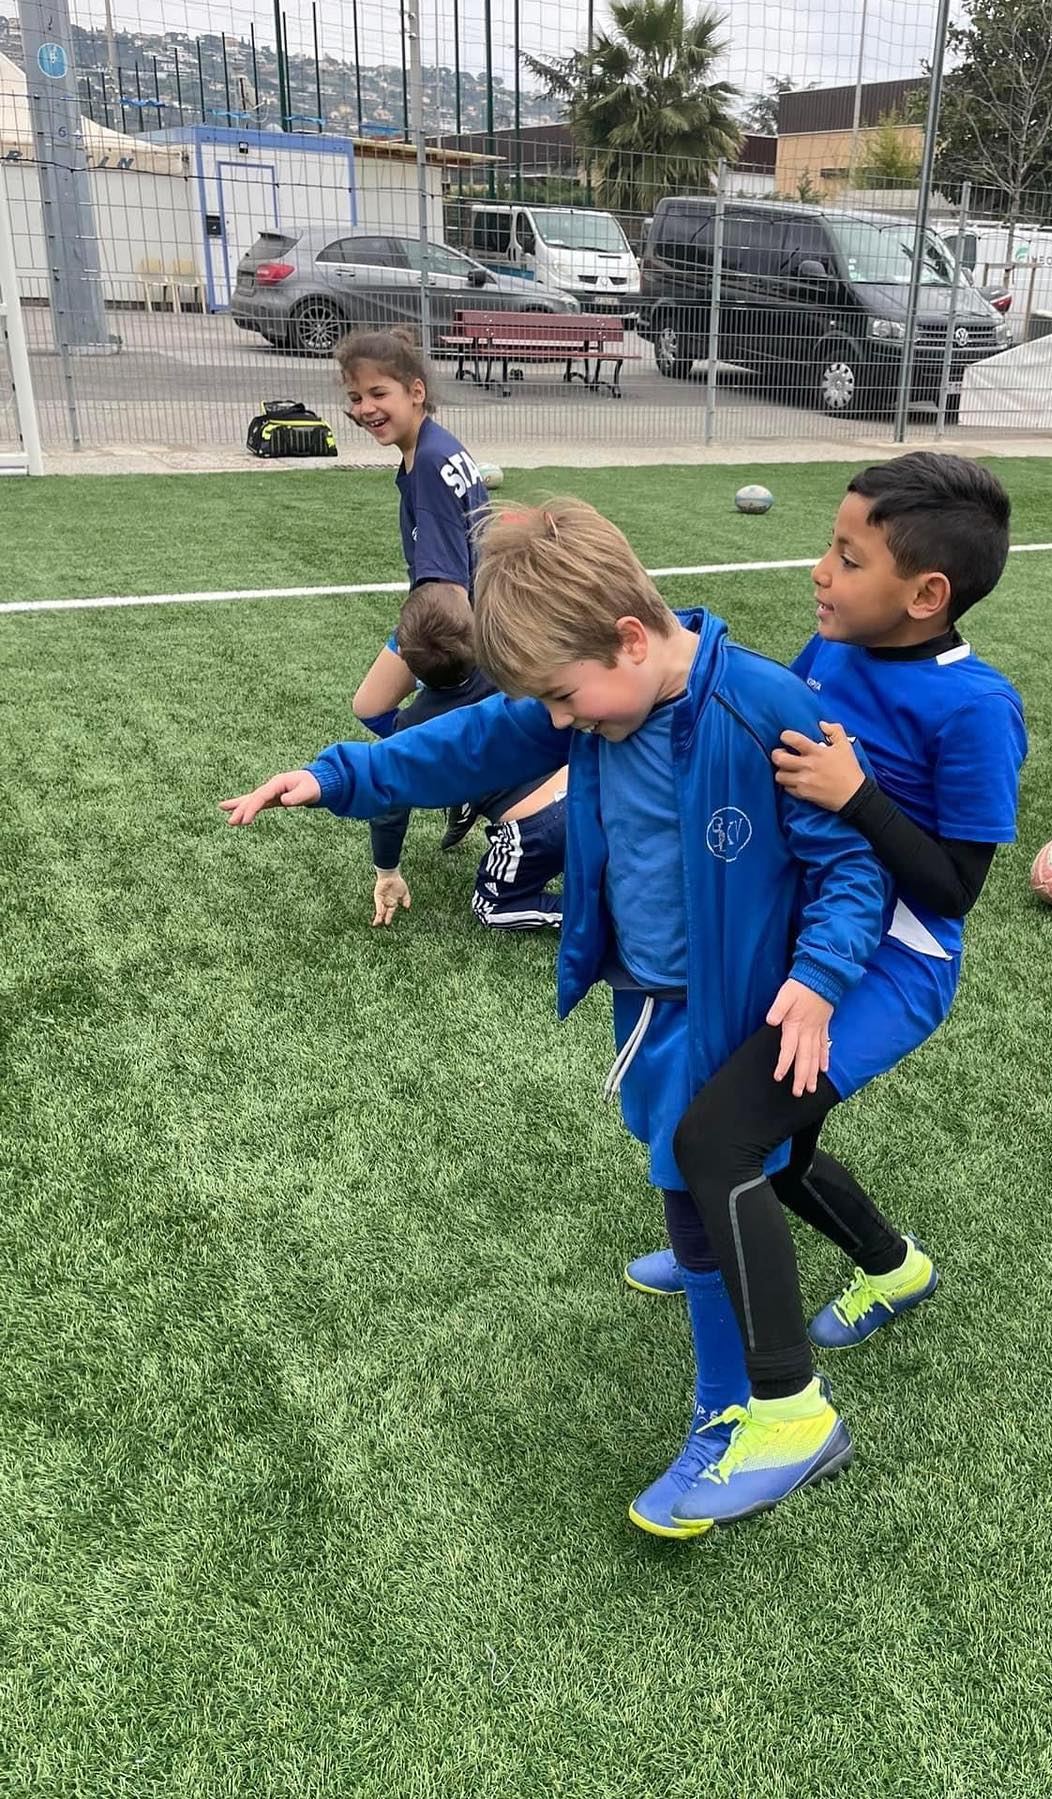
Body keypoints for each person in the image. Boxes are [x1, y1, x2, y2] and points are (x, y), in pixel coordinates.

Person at [221, 499, 889, 1538]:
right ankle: (732, 1281)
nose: (562, 724)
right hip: (649, 991)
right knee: (692, 1169)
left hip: (738, 1005)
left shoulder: (764, 706)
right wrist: (336, 775)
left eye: (569, 700)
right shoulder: (592, 692)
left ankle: (756, 1412)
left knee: (700, 1174)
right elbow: (458, 745)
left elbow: (852, 862)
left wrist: (820, 973)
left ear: (629, 636)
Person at [618, 454, 1027, 1535]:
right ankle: (895, 1269)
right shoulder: (831, 651)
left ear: (926, 593)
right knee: (772, 1149)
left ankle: (790, 1413)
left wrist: (863, 795)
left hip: (892, 967)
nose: (820, 572)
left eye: (847, 558)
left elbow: (953, 891)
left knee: (719, 1141)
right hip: (812, 943)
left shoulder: (976, 706)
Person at [339, 326, 490, 853]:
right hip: (465, 611)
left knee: (375, 710)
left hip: (452, 623)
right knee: (375, 708)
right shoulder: (434, 444)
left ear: (416, 391)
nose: (365, 408)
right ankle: (467, 770)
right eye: (356, 397)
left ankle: (469, 774)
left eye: (379, 394)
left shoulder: (427, 463)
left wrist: (439, 648)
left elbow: (447, 580)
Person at [366, 581, 566, 932]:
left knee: (490, 906)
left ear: (404, 663)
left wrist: (388, 871)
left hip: (540, 829)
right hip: (598, 784)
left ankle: (599, 917)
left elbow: (388, 807)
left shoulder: (413, 730)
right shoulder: (514, 661)